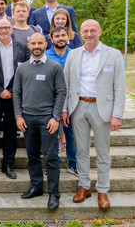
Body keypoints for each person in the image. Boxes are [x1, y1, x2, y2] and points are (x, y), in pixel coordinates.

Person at [62, 20, 125, 210]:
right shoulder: (73, 54)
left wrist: (117, 115)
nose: (89, 34)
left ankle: (103, 190)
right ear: (80, 33)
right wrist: (64, 109)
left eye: (92, 30)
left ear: (100, 31)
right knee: (81, 150)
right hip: (78, 106)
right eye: (85, 31)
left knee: (103, 152)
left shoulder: (113, 55)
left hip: (102, 108)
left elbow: (120, 87)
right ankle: (84, 186)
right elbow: (66, 85)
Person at [13, 33, 66, 210]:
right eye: (33, 43)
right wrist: (18, 116)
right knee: (33, 156)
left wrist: (56, 117)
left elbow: (61, 93)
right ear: (28, 45)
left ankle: (53, 193)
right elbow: (17, 94)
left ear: (46, 44)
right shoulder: (22, 69)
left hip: (48, 119)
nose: (36, 46)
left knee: (51, 157)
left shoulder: (55, 67)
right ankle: (36, 187)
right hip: (27, 119)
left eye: (40, 43)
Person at [0, 19, 30, 179]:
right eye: (0, 28)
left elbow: (24, 71)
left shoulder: (22, 48)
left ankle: (8, 164)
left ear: (12, 30)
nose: (3, 30)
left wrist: (10, 91)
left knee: (11, 132)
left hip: (14, 97)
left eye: (6, 27)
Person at [45, 26, 78, 177]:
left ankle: (73, 164)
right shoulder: (45, 55)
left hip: (72, 99)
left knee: (71, 133)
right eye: (57, 36)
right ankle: (53, 164)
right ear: (51, 39)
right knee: (51, 133)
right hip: (51, 99)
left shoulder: (77, 54)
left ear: (68, 37)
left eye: (63, 35)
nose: (60, 38)